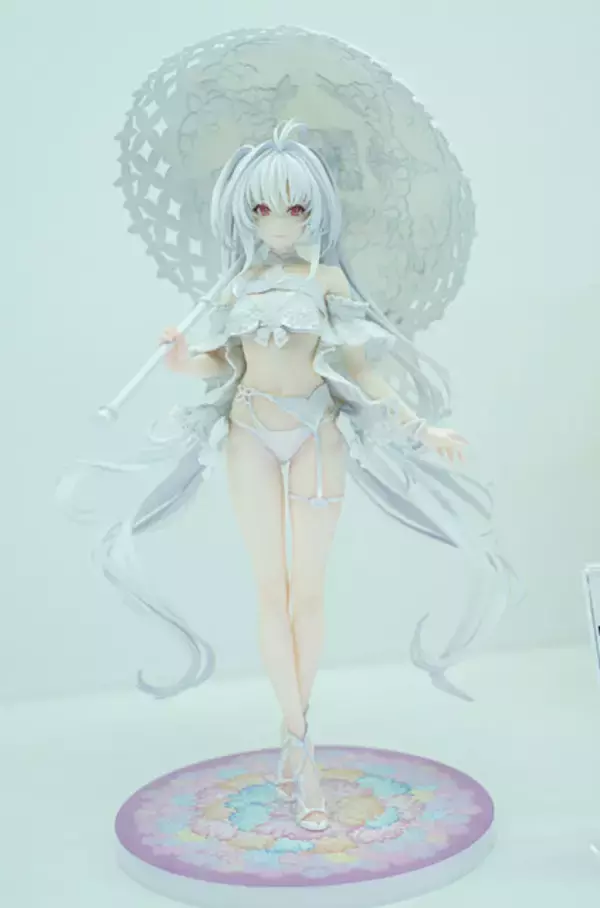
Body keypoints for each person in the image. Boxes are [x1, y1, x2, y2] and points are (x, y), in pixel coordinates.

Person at [57, 120, 512, 833]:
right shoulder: (235, 284)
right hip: (248, 434)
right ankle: (299, 743)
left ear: (315, 211)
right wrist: (181, 360)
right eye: (261, 208)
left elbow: (362, 372)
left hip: (316, 435)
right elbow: (223, 365)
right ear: (244, 212)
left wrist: (421, 429)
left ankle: (298, 735)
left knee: (308, 593)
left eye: (294, 207)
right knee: (270, 589)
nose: (276, 221)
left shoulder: (326, 281)